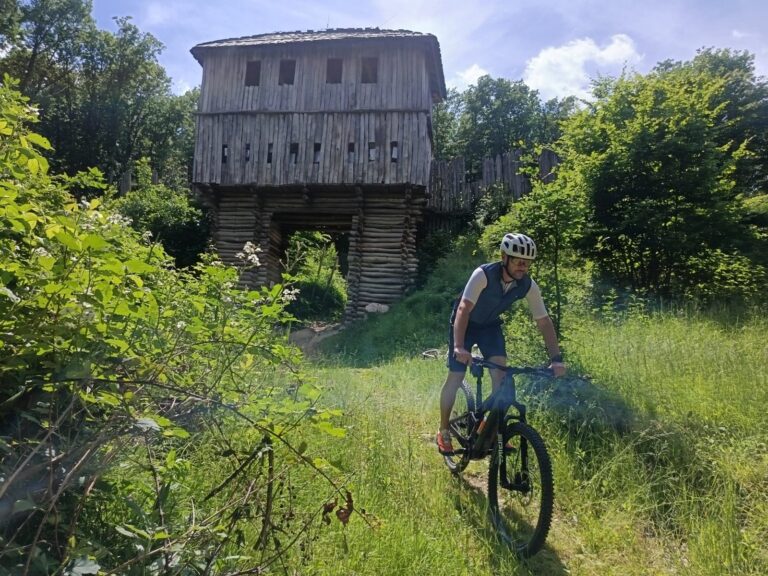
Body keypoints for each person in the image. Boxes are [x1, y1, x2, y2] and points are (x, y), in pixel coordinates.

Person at [436, 232, 566, 454]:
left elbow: (544, 322)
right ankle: (444, 429)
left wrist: (556, 360)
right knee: (456, 376)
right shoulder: (483, 275)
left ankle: (491, 429)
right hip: (464, 325)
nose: (522, 267)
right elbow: (463, 309)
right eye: (518, 261)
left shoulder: (527, 285)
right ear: (505, 257)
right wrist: (459, 347)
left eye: (527, 263)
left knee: (502, 377)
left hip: (490, 328)